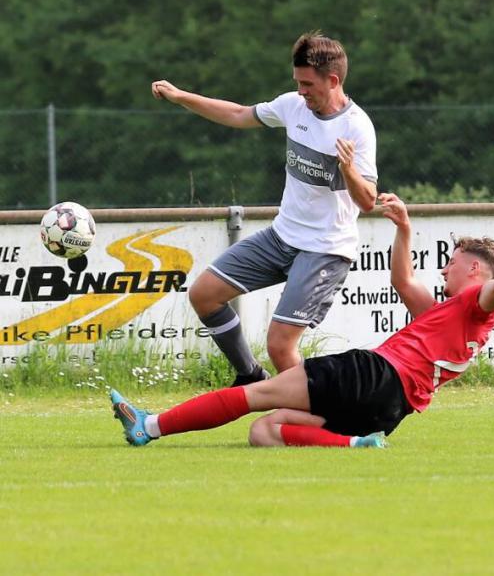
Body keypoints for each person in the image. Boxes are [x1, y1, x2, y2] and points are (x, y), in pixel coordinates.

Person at [110, 195, 494, 448]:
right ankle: (358, 444)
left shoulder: (479, 305)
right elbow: (403, 281)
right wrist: (403, 229)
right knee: (264, 433)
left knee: (255, 394)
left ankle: (148, 427)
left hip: (374, 376)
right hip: (387, 411)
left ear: (475, 272)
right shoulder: (450, 316)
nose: (445, 269)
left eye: (453, 263)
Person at [151, 32, 377, 386]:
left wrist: (348, 170)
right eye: (297, 83)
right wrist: (181, 97)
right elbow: (239, 114)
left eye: (307, 84)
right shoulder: (293, 106)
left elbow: (368, 201)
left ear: (333, 81)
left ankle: (319, 417)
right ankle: (251, 376)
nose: (301, 91)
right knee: (204, 295)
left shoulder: (356, 127)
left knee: (281, 347)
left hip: (324, 249)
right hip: (282, 236)